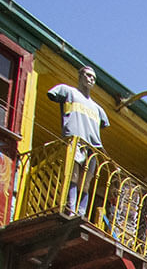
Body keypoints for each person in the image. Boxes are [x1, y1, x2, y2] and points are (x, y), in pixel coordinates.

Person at [46, 65, 109, 218]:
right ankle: (71, 208)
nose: (91, 79)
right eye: (88, 75)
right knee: (72, 176)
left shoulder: (98, 109)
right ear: (80, 76)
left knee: (85, 182)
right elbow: (52, 93)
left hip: (91, 148)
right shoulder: (68, 92)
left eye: (93, 78)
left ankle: (81, 212)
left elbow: (102, 127)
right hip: (74, 142)